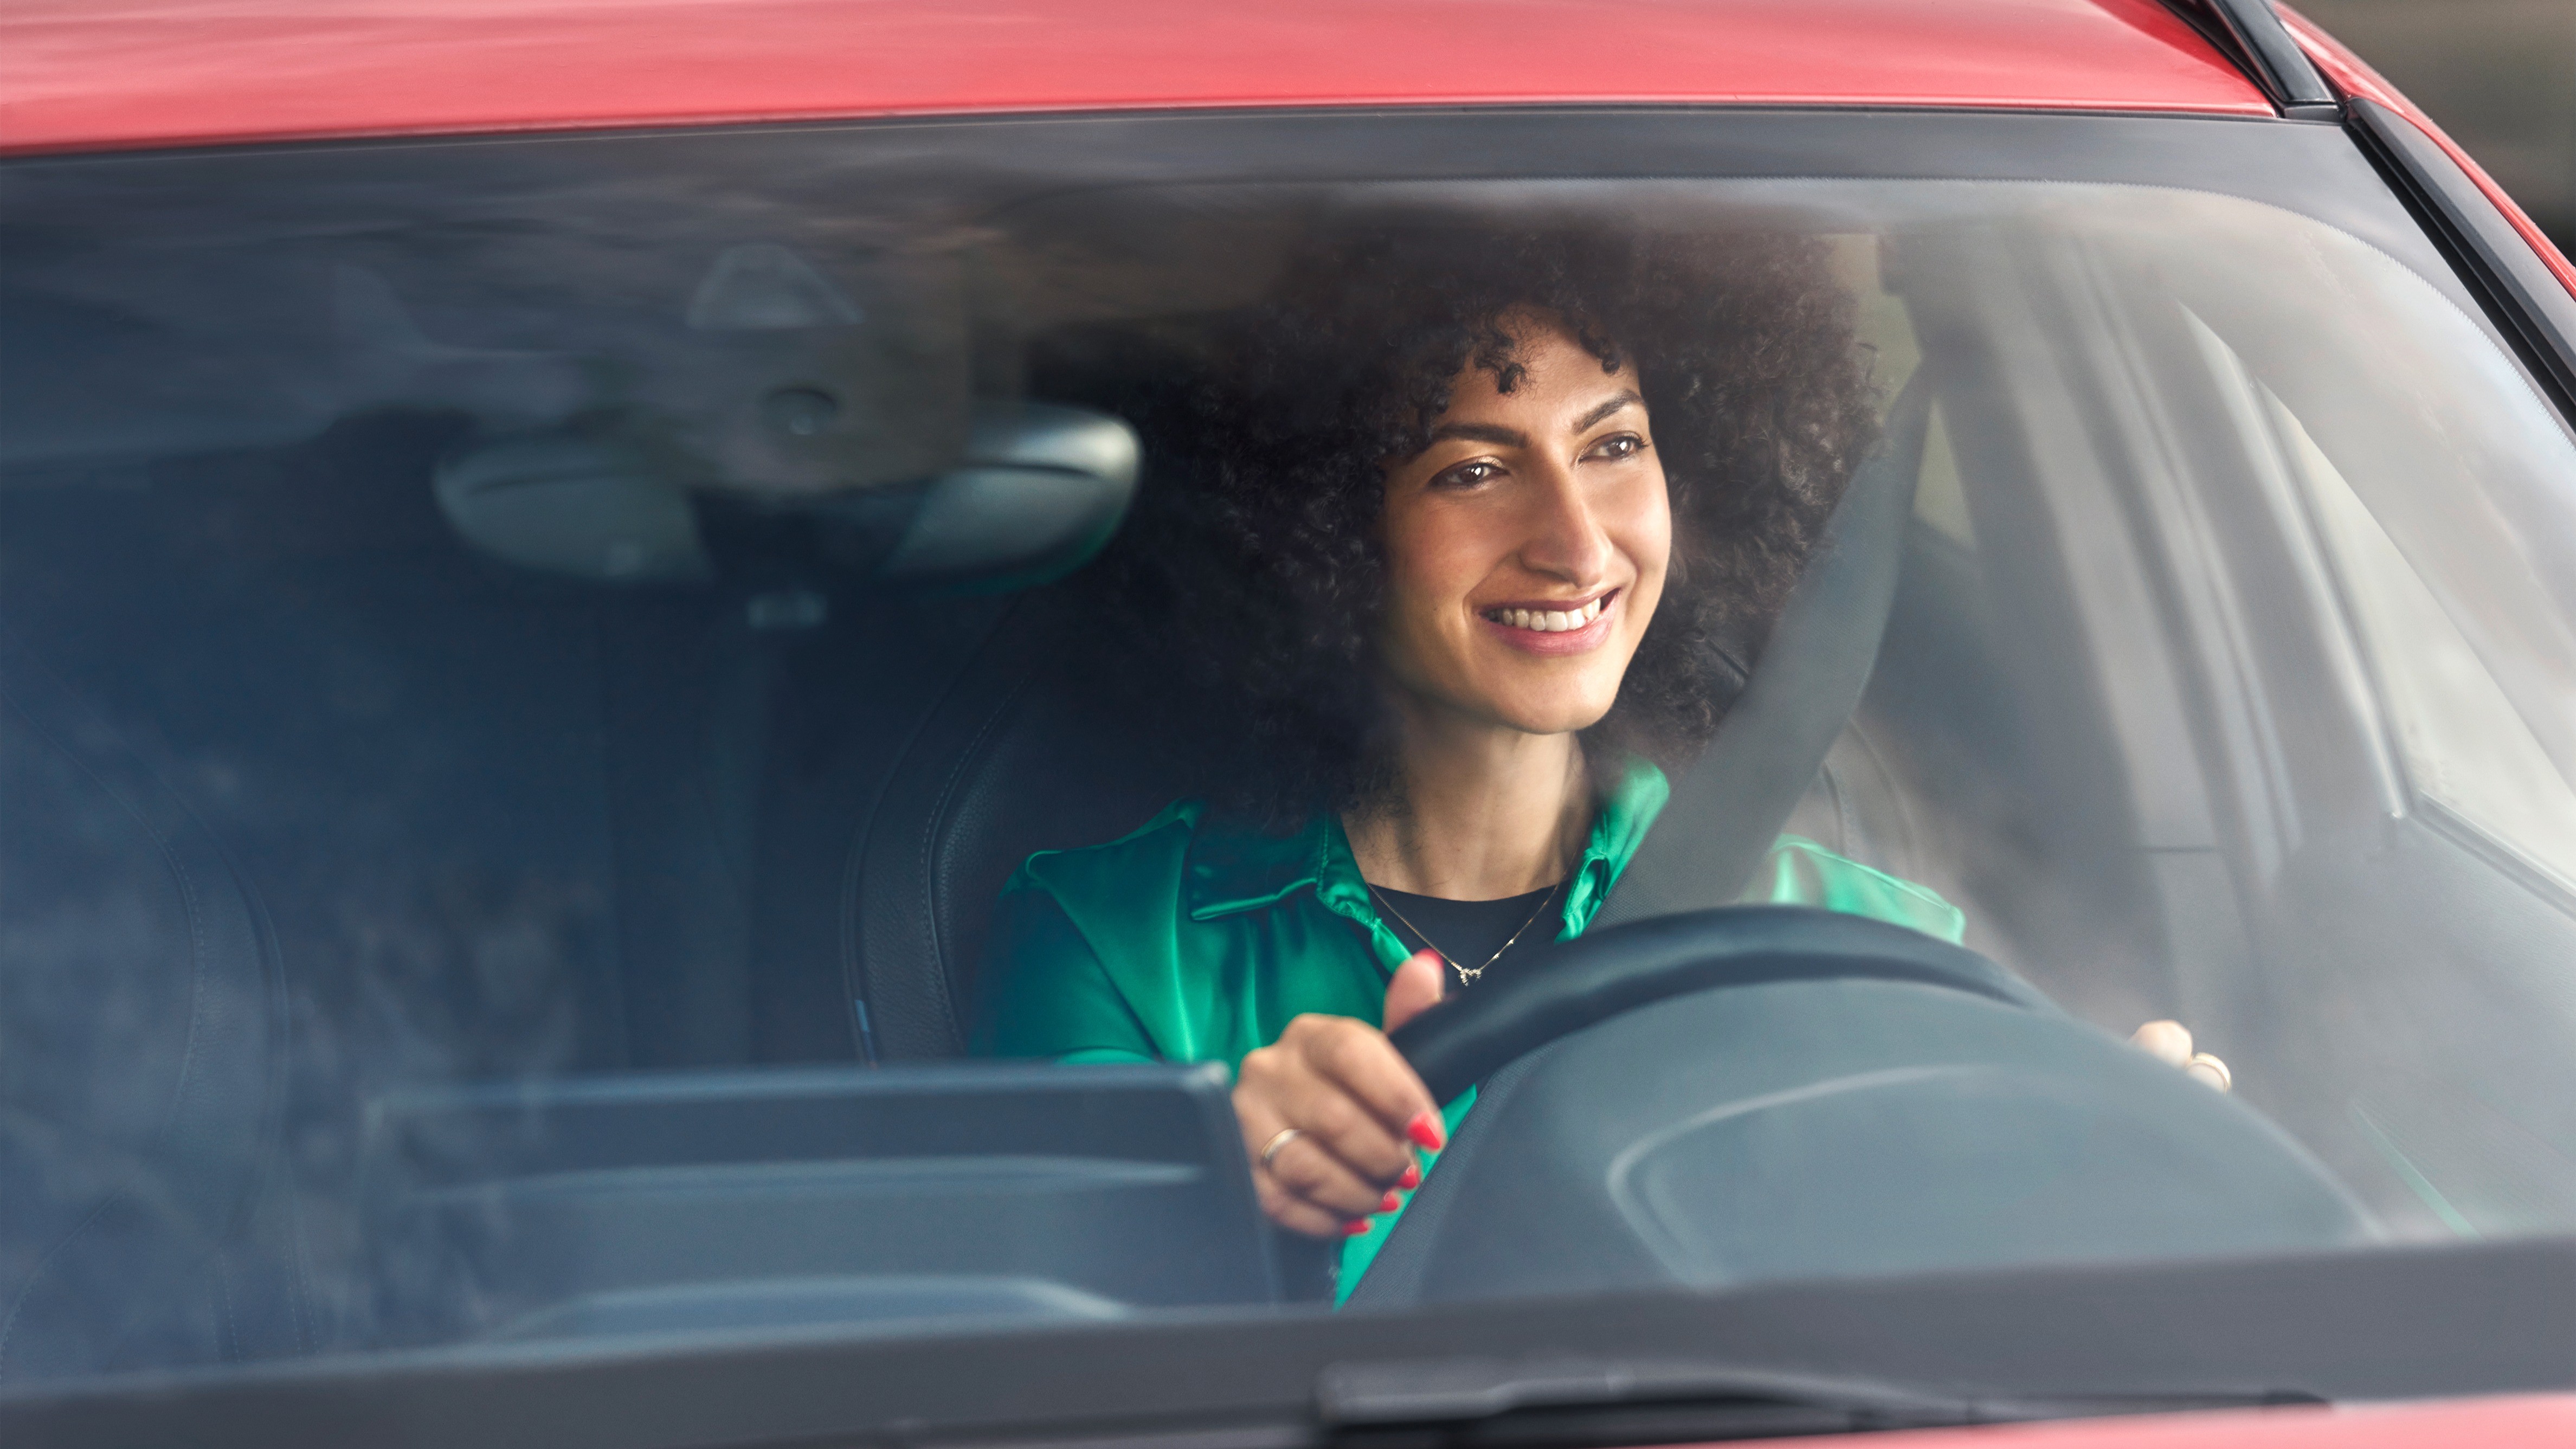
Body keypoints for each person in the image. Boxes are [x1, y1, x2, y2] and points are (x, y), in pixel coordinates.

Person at [972, 228, 1966, 1300]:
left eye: (1613, 446)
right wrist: (1212, 1172)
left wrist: (2129, 1138)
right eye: (1478, 469)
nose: (1577, 544)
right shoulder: (1114, 945)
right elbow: (1051, 1301)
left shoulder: (1866, 944)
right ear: (1330, 529)